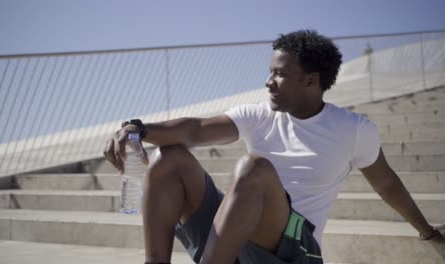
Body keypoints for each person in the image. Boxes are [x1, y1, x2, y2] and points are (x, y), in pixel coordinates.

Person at [104, 30, 445, 264]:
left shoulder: (353, 129)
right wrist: (137, 128)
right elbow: (194, 130)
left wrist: (428, 233)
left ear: (311, 81)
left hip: (295, 247)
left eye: (279, 74)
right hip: (236, 239)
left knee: (253, 169)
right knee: (170, 156)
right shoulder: (259, 114)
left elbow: (386, 183)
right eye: (269, 72)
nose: (268, 82)